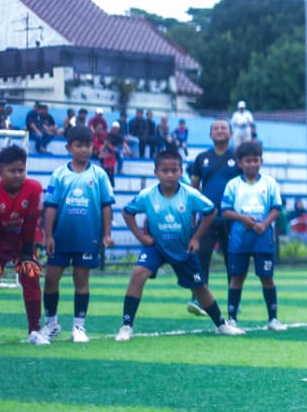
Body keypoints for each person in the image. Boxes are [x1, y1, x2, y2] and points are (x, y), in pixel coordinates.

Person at [118, 151, 244, 341]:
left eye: (174, 170)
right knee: (138, 274)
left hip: (183, 248)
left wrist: (196, 238)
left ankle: (221, 325)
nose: (170, 174)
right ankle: (126, 326)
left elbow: (211, 211)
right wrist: (141, 237)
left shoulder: (190, 194)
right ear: (156, 172)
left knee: (200, 288)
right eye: (165, 170)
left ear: (180, 171)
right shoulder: (147, 195)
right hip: (156, 246)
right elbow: (127, 212)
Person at [41, 126, 115, 343]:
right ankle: (51, 324)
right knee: (51, 279)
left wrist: (107, 234)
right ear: (68, 148)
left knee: (81, 280)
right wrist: (48, 235)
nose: (84, 149)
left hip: (87, 237)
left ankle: (79, 327)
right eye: (79, 145)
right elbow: (51, 206)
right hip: (60, 237)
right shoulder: (58, 175)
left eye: (88, 145)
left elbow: (106, 206)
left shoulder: (99, 175)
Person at [220, 140, 284, 330]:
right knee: (237, 277)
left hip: (262, 238)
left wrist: (264, 224)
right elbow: (225, 211)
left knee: (267, 277)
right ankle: (232, 318)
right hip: (239, 239)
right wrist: (242, 218)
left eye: (255, 160)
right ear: (240, 163)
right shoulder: (233, 185)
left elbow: (276, 207)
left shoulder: (269, 183)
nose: (252, 164)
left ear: (261, 161)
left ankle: (273, 319)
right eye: (248, 161)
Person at [0, 145, 49, 344]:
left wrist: (26, 252)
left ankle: (35, 330)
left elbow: (32, 221)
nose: (18, 175)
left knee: (30, 276)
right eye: (12, 171)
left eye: (21, 170)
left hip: (22, 241)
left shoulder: (34, 188)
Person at [188, 119, 240, 316]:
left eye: (223, 128)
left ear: (231, 133)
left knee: (232, 260)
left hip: (231, 218)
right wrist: (191, 217)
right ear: (210, 135)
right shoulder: (201, 158)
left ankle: (234, 301)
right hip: (207, 218)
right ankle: (199, 299)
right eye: (215, 128)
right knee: (200, 258)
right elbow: (193, 189)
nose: (219, 130)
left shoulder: (238, 157)